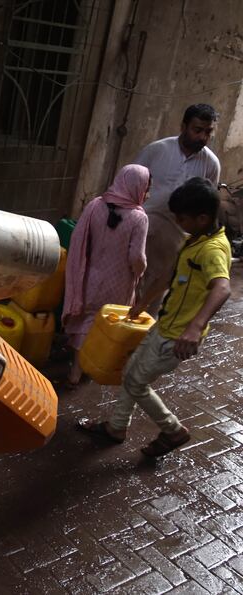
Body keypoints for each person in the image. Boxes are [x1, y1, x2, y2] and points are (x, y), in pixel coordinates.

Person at [76, 178, 231, 457]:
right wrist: (143, 303)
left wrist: (196, 328)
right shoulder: (194, 240)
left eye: (182, 218)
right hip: (165, 326)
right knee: (131, 372)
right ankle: (116, 427)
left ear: (203, 217)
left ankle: (172, 430)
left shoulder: (212, 250)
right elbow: (169, 275)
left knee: (136, 381)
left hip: (177, 337)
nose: (178, 222)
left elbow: (222, 288)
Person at [62, 164, 151, 386]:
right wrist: (142, 272)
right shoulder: (139, 219)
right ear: (136, 187)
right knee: (106, 324)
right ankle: (96, 365)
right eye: (147, 188)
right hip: (119, 283)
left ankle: (76, 370)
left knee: (86, 320)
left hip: (90, 276)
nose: (147, 194)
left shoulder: (95, 205)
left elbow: (79, 239)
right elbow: (136, 257)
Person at [133, 103, 221, 316]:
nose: (202, 137)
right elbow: (133, 181)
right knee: (131, 276)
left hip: (176, 234)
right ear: (183, 126)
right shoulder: (157, 150)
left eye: (208, 132)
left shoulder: (211, 164)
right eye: (197, 130)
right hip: (144, 225)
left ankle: (142, 329)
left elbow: (207, 203)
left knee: (159, 282)